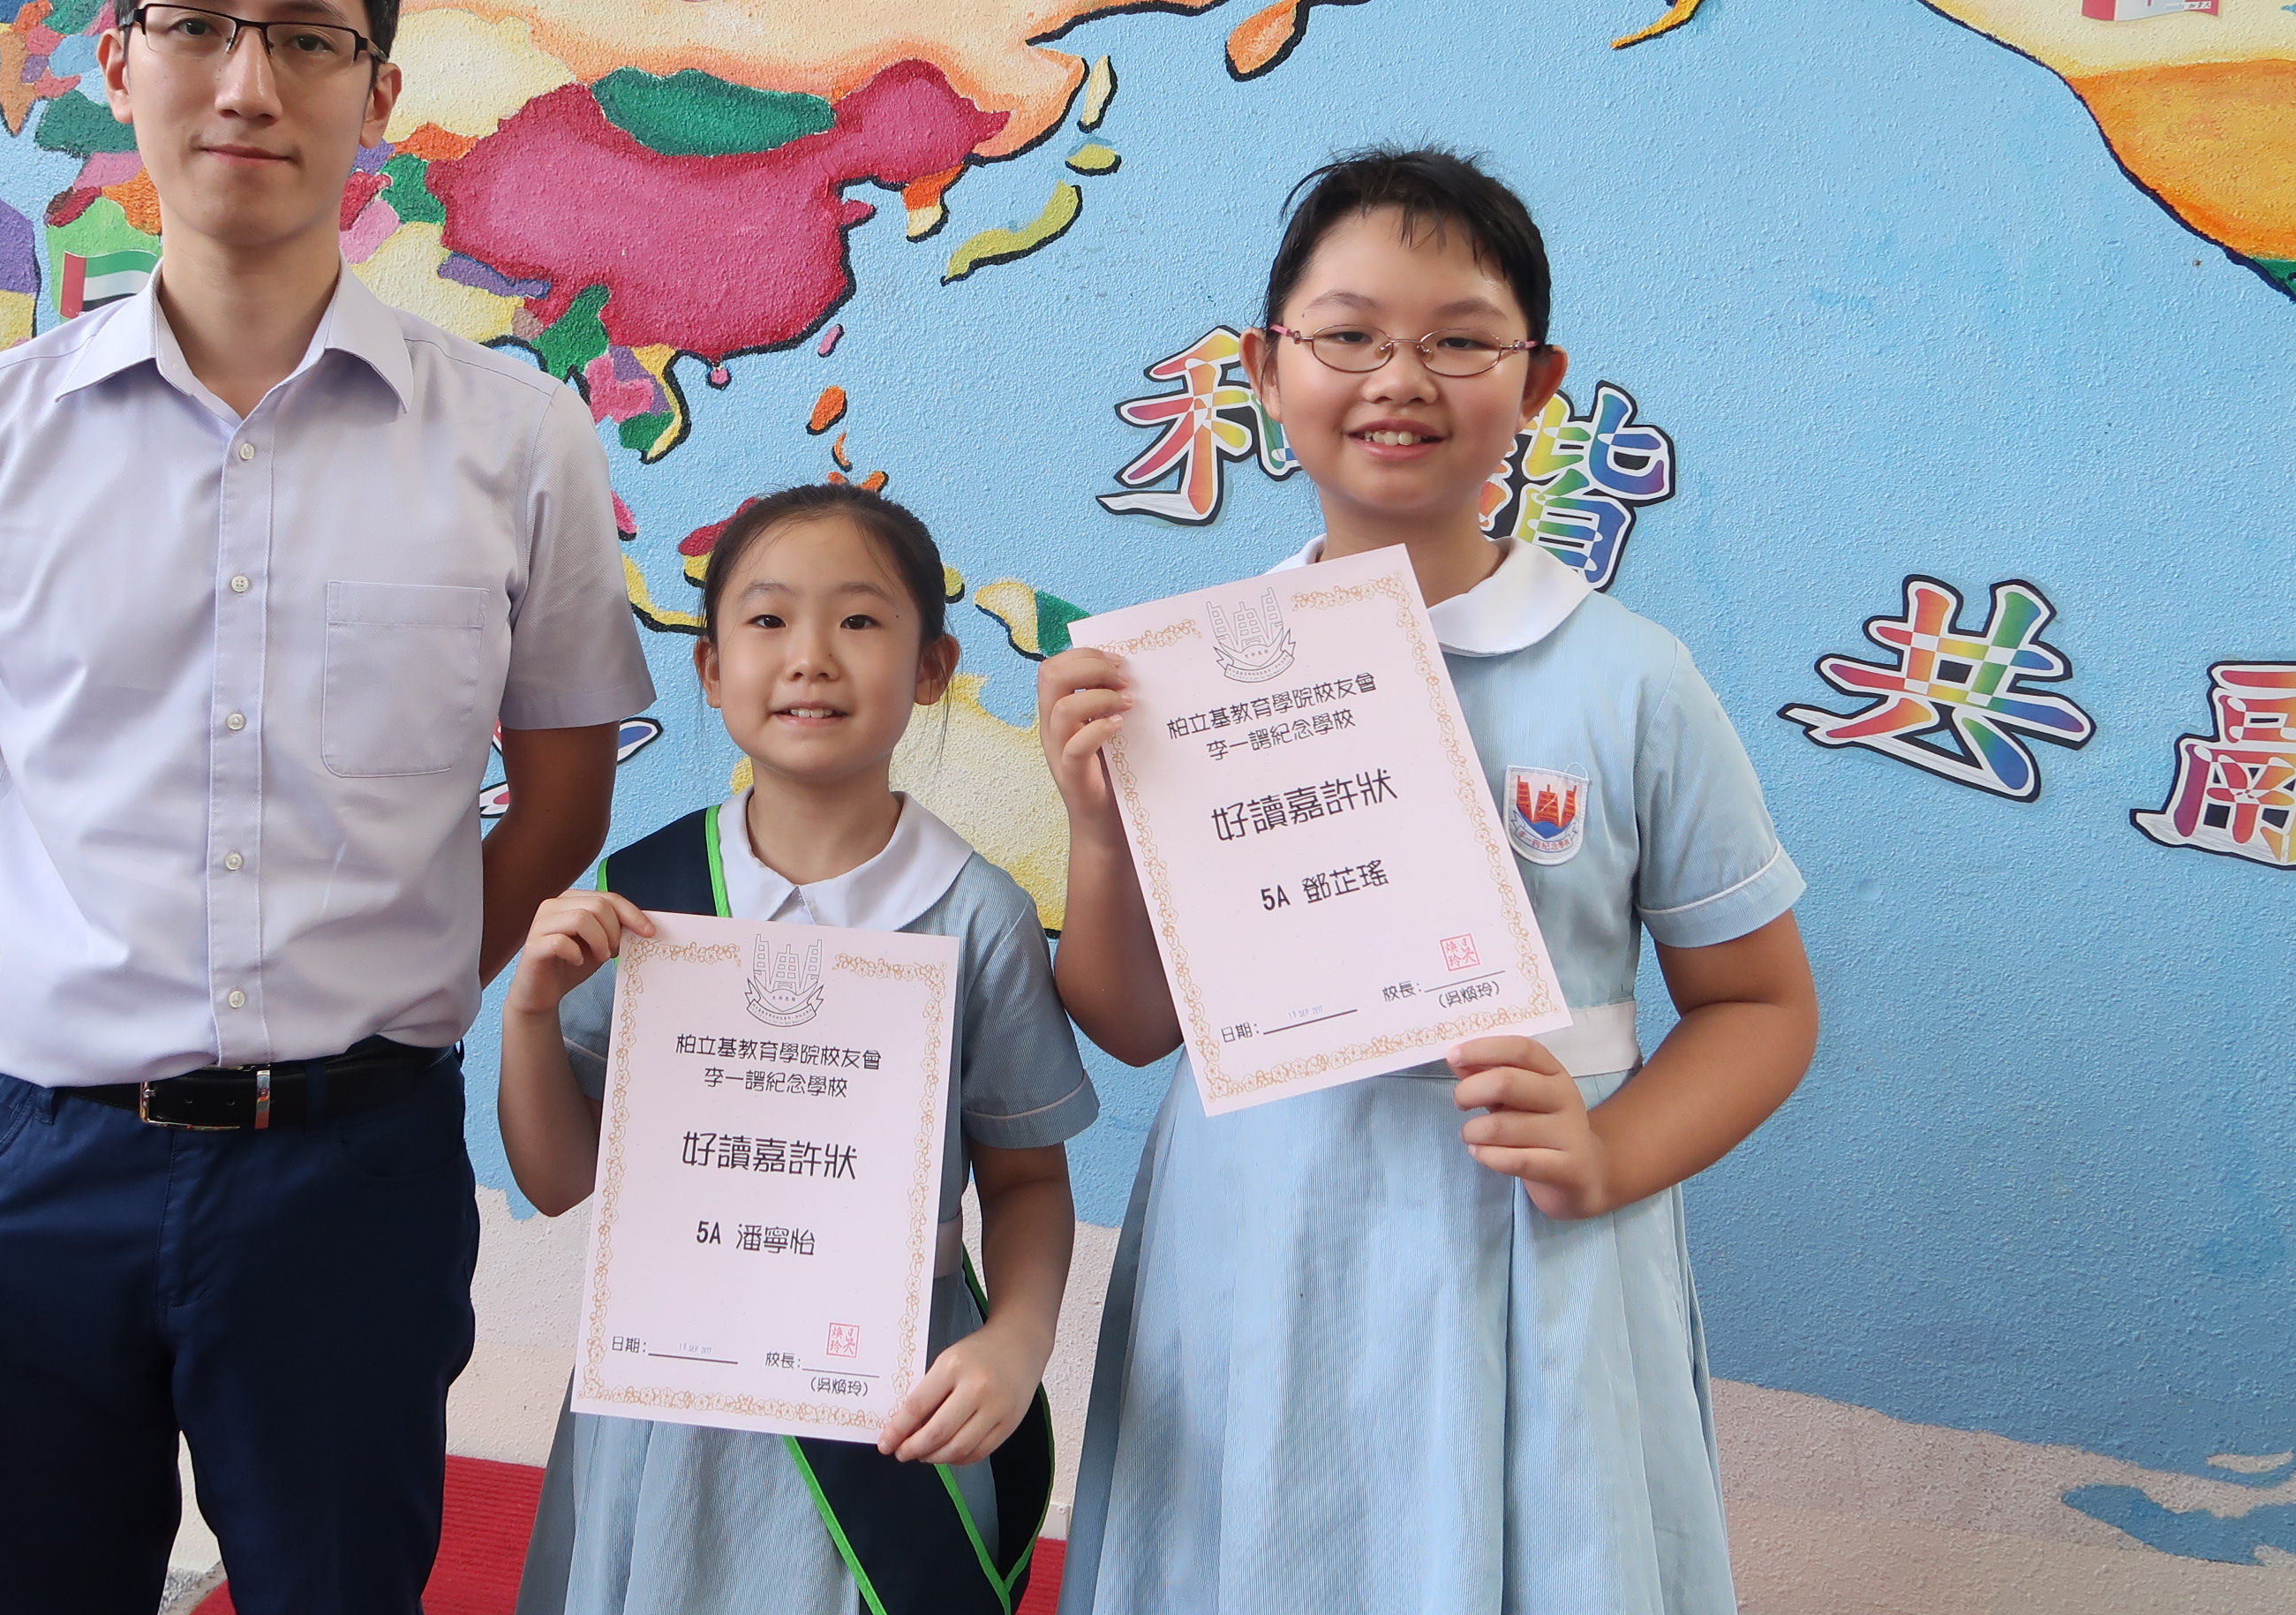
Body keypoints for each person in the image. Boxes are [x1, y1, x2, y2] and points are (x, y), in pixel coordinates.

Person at [0, 0, 655, 1615]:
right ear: (116, 58)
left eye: (305, 37)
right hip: (33, 1167)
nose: (246, 82)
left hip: (350, 1175)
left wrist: (374, 992)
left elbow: (559, 797)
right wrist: (96, 986)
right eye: (198, 23)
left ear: (378, 93)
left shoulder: (514, 439)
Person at [1042, 147, 1819, 1615]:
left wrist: (1610, 1153)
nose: (1398, 378)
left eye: (1460, 341)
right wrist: (1097, 830)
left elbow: (1761, 1004)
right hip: (1259, 1240)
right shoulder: (1186, 677)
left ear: (1537, 384)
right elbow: (1132, 1025)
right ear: (1267, 369)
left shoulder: (1628, 677)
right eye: (1348, 335)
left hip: (1524, 1245)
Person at [504, 486, 1096, 1615]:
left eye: (859, 619)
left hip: (891, 1397)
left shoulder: (976, 913)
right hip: (669, 1396)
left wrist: (1017, 1341)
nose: (810, 656)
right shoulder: (645, 898)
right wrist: (528, 1015)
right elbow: (558, 1177)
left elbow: (1026, 1176)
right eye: (767, 619)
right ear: (709, 667)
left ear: (933, 668)